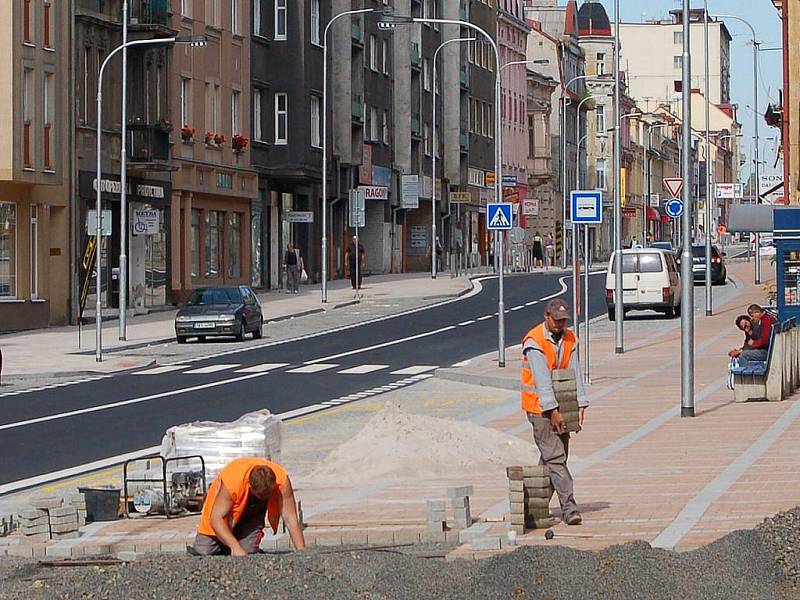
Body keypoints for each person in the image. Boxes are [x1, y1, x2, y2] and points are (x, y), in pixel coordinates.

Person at [521, 299, 589, 526]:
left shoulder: (570, 339)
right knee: (556, 458)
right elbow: (541, 381)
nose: (560, 325)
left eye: (563, 321)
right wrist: (553, 412)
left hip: (561, 406)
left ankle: (532, 509)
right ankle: (569, 508)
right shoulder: (535, 341)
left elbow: (575, 372)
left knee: (552, 460)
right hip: (539, 408)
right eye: (556, 320)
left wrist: (580, 403)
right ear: (546, 316)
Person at [192, 457, 305, 556]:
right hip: (226, 511)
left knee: (248, 551)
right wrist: (235, 547)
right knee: (204, 550)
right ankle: (229, 542)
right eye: (260, 495)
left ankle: (232, 542)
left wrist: (302, 552)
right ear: (249, 484)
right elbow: (216, 519)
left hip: (254, 512)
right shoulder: (232, 480)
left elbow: (291, 519)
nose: (263, 497)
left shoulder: (281, 480)